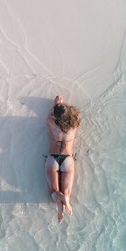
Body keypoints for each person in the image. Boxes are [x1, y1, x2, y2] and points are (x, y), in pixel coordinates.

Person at [46, 95, 80, 223]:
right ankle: (65, 198)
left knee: (52, 191)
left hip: (52, 158)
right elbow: (67, 115)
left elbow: (53, 115)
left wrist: (57, 105)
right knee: (68, 191)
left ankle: (59, 200)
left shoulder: (50, 121)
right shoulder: (74, 126)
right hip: (67, 159)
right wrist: (62, 106)